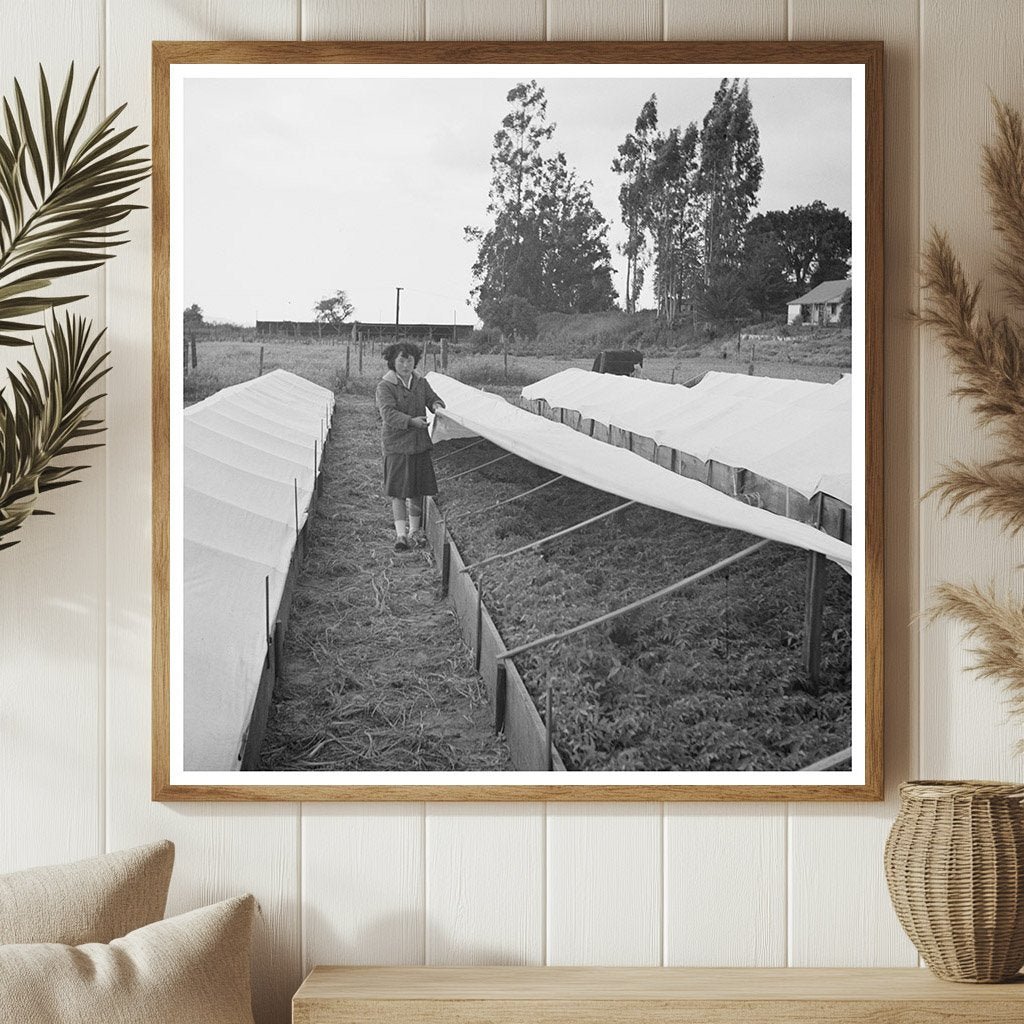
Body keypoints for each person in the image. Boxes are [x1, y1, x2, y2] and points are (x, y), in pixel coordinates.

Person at [375, 341, 446, 552]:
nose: (406, 365)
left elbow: (432, 398)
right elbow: (388, 414)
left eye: (410, 360)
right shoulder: (385, 386)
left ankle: (415, 531)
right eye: (401, 360)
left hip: (419, 443)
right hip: (396, 444)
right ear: (393, 362)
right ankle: (401, 534)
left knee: (417, 488)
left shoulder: (420, 382)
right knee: (398, 490)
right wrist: (412, 421)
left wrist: (437, 406)